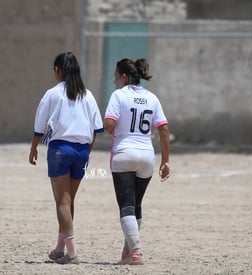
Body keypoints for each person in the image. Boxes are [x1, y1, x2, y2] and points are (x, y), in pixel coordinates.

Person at [29, 52, 104, 264]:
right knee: (69, 201)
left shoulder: (52, 94)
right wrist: (86, 152)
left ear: (58, 71)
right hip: (81, 150)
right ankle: (60, 248)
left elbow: (39, 127)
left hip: (60, 149)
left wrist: (33, 148)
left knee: (61, 202)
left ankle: (72, 253)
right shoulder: (87, 95)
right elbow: (96, 128)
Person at [104, 58, 170, 265]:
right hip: (147, 156)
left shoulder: (118, 95)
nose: (115, 81)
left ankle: (136, 252)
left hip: (124, 154)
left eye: (116, 77)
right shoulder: (152, 98)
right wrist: (165, 161)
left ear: (124, 77)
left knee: (126, 205)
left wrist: (111, 126)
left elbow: (108, 124)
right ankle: (128, 252)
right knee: (136, 204)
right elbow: (164, 130)